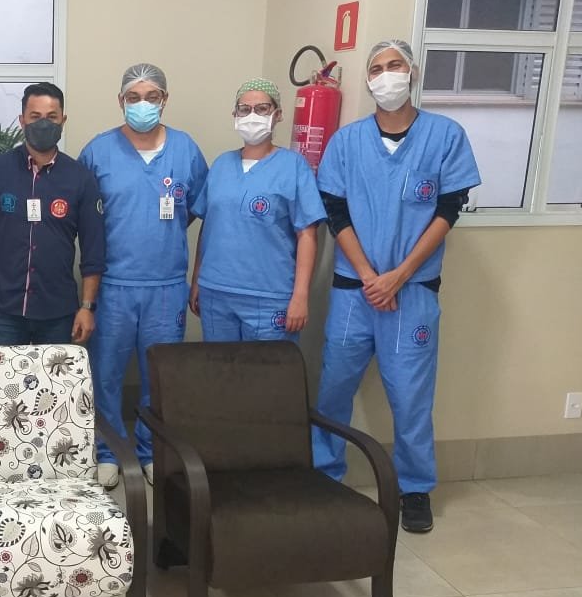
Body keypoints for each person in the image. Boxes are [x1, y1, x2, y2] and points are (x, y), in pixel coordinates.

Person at [311, 39, 481, 534]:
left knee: (411, 397)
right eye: (377, 68)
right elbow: (335, 212)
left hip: (413, 292)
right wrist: (369, 276)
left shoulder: (444, 137)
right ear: (368, 81)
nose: (386, 75)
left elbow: (448, 210)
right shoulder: (347, 142)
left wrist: (399, 275)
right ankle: (324, 475)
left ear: (413, 72)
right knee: (333, 389)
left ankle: (415, 488)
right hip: (354, 291)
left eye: (395, 65)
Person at [79, 63, 208, 487]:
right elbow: (85, 217)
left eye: (152, 96)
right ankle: (108, 450)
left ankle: (153, 451)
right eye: (133, 97)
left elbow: (196, 208)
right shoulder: (98, 152)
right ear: (120, 101)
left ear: (165, 99)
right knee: (106, 374)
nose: (142, 104)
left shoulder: (186, 150)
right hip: (113, 284)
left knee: (160, 376)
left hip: (166, 285)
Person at [0, 82, 105, 345]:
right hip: (5, 310)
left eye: (51, 117)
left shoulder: (81, 179)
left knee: (55, 374)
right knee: (3, 373)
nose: (43, 124)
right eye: (35, 116)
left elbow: (93, 250)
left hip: (58, 312)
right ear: (22, 120)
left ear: (63, 121)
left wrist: (87, 306)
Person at [189, 78, 325, 341]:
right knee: (219, 365)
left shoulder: (293, 166)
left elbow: (307, 234)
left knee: (267, 368)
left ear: (278, 114)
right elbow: (210, 226)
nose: (252, 115)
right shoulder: (221, 164)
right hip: (216, 291)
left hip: (270, 295)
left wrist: (300, 296)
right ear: (235, 115)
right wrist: (197, 280)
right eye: (244, 109)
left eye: (262, 109)